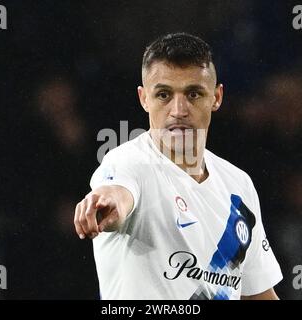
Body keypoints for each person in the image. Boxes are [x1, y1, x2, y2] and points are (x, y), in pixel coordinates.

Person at [74, 33, 283, 300]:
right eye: (163, 94)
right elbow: (117, 190)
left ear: (217, 97)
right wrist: (109, 204)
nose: (179, 109)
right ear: (144, 99)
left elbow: (259, 295)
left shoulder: (238, 186)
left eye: (194, 93)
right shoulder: (127, 162)